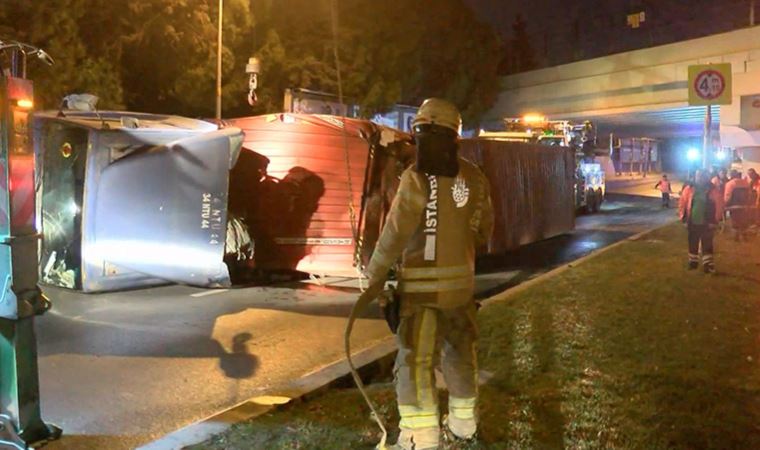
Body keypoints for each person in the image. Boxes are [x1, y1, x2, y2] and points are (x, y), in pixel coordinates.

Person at [364, 98, 494, 450]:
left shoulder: (415, 178)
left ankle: (421, 437)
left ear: (417, 134)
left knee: (415, 360)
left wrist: (373, 274)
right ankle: (464, 425)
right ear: (456, 135)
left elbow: (395, 232)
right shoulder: (475, 178)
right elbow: (483, 232)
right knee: (461, 354)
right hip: (461, 294)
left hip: (420, 296)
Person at [679, 170, 724, 273]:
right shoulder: (689, 189)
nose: (700, 178)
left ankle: (708, 265)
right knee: (692, 242)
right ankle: (693, 263)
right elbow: (683, 203)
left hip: (708, 222)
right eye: (698, 176)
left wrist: (715, 220)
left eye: (703, 176)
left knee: (707, 243)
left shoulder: (713, 190)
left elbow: (719, 205)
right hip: (692, 221)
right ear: (695, 177)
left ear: (707, 177)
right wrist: (683, 218)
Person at [724, 169, 752, 241]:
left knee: (735, 223)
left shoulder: (730, 184)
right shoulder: (745, 183)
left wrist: (725, 205)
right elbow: (750, 195)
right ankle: (744, 237)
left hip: (734, 207)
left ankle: (736, 238)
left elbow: (727, 196)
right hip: (744, 207)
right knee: (744, 223)